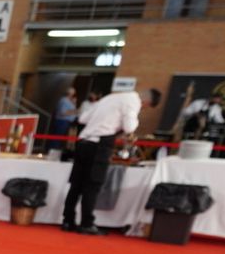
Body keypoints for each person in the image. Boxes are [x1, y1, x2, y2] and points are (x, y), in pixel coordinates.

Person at [64, 87, 161, 235]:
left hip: (84, 142)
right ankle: (86, 223)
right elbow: (129, 127)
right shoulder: (132, 102)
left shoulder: (110, 97)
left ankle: (68, 220)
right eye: (145, 107)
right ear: (146, 102)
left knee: (76, 184)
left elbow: (83, 118)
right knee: (92, 185)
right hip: (99, 145)